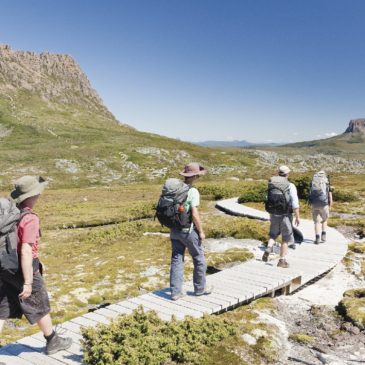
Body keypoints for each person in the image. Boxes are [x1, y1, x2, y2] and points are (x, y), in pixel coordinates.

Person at [0, 176, 72, 355]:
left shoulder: (9, 212)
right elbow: (25, 250)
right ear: (32, 196)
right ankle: (53, 341)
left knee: (2, 308)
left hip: (4, 266)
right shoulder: (30, 218)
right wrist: (28, 282)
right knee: (39, 303)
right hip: (23, 269)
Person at [169, 163, 212, 300]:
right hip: (187, 231)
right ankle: (200, 288)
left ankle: (175, 292)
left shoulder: (176, 188)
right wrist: (201, 231)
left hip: (174, 230)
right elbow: (194, 214)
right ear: (195, 176)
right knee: (199, 258)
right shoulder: (192, 191)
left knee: (176, 259)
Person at [262, 165, 300, 268]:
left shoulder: (271, 184)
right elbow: (295, 203)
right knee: (285, 238)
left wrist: (270, 213)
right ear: (287, 174)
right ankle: (282, 261)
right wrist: (297, 216)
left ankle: (269, 247)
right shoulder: (290, 185)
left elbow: (267, 198)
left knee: (273, 234)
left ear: (278, 173)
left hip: (273, 213)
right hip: (285, 215)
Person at [309, 171, 333, 244]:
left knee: (317, 222)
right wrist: (330, 205)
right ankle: (323, 235)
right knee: (324, 219)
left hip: (314, 203)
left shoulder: (313, 181)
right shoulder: (326, 182)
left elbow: (309, 192)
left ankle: (317, 238)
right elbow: (330, 194)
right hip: (324, 204)